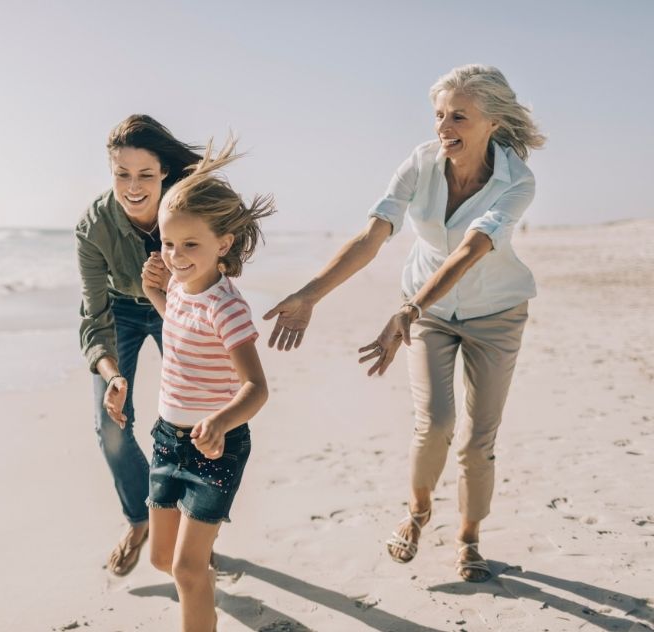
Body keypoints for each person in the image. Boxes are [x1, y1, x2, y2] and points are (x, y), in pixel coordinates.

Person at [263, 64, 545, 582]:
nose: (444, 126)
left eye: (459, 116)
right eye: (439, 114)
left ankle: (468, 537)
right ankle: (417, 513)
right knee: (434, 422)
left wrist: (407, 309)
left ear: (493, 122)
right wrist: (309, 295)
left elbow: (472, 250)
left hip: (495, 314)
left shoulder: (517, 181)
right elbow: (373, 236)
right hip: (430, 311)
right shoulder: (419, 163)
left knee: (477, 439)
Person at [141, 137, 274, 631]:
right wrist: (154, 288)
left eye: (189, 244)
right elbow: (178, 329)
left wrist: (220, 421)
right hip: (166, 441)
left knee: (186, 568)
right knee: (162, 560)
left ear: (224, 243)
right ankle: (203, 587)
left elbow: (256, 387)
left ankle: (200, 593)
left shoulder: (227, 307)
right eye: (168, 243)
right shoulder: (177, 286)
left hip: (214, 449)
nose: (175, 255)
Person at [76, 114, 202, 576]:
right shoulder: (94, 226)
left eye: (145, 174)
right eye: (121, 174)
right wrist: (112, 376)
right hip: (120, 312)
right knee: (109, 428)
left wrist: (182, 277)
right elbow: (94, 315)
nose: (133, 186)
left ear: (164, 172)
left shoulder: (191, 204)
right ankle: (140, 518)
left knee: (194, 421)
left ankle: (194, 525)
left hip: (181, 303)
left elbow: (227, 259)